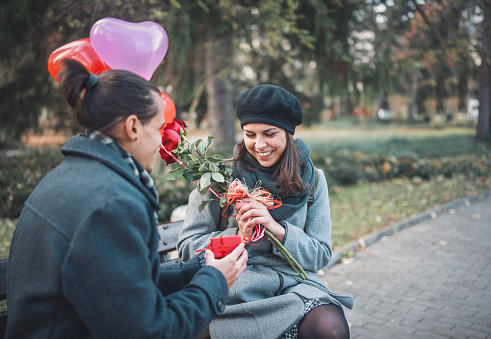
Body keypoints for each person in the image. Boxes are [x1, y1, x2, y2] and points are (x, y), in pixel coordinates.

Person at [6, 59, 248, 339]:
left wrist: (198, 268)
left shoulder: (73, 176)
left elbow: (120, 283)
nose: (161, 142)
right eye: (158, 129)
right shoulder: (111, 204)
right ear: (133, 127)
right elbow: (150, 331)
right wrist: (215, 281)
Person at [177, 84, 353, 339]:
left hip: (294, 287)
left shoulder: (313, 179)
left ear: (287, 134)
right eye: (250, 134)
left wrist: (278, 230)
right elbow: (186, 248)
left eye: (269, 134)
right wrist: (237, 236)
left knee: (330, 330)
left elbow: (321, 254)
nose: (259, 145)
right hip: (235, 289)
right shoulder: (218, 178)